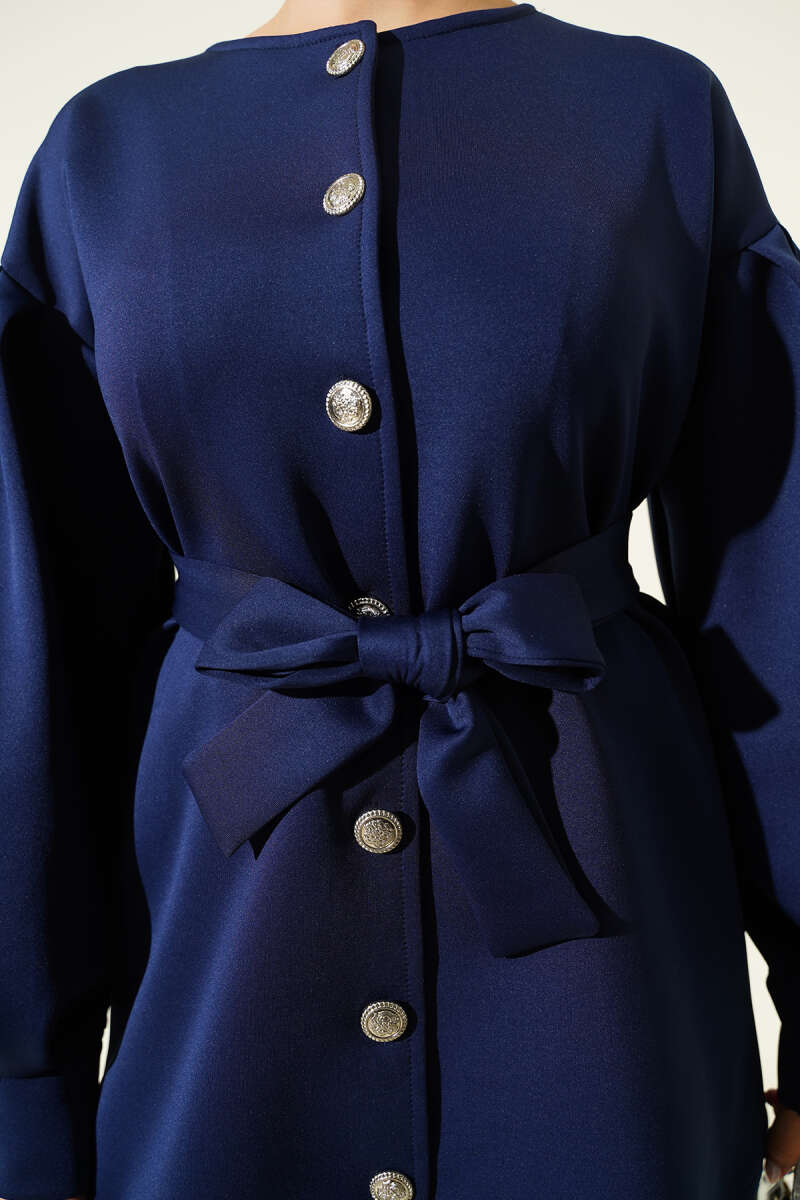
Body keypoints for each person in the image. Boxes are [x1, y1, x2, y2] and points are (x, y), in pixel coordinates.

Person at [1, 2, 799, 1198]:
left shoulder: (655, 116)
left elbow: (776, 595)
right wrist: (25, 1086)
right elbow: (35, 666)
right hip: (227, 968)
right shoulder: (104, 151)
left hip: (602, 973)